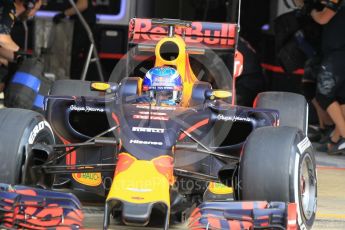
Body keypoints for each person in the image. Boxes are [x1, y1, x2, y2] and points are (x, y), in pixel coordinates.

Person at [310, 0, 345, 153]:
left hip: (338, 53)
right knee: (342, 98)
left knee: (324, 94)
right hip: (339, 53)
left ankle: (341, 136)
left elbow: (323, 18)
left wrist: (311, 11)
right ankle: (335, 139)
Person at [52, 0, 96, 80]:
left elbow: (83, 5)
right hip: (83, 24)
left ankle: (75, 81)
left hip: (83, 25)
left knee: (76, 57)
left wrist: (64, 14)